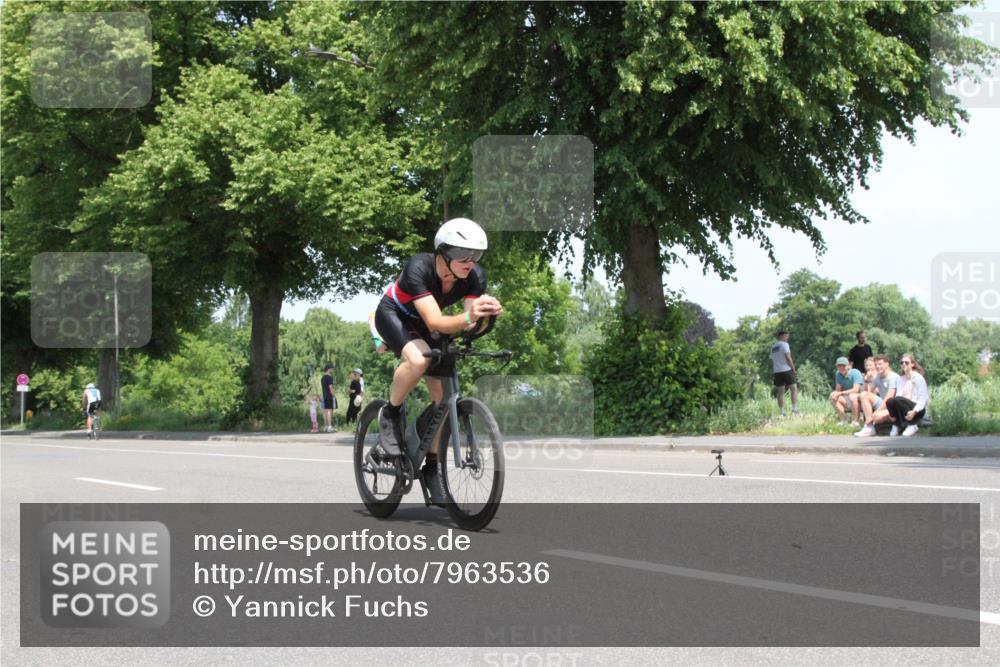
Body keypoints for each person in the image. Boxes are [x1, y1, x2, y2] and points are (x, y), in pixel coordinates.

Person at [374, 217, 503, 503]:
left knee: (444, 400)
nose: (469, 261)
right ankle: (391, 413)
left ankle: (432, 468)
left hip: (429, 326)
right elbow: (435, 319)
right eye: (461, 254)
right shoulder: (418, 268)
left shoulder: (474, 277)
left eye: (476, 255)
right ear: (443, 253)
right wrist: (470, 316)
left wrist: (485, 316)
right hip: (395, 316)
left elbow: (468, 324)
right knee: (419, 361)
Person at [885, 353, 930, 437]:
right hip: (904, 407)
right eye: (902, 363)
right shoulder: (900, 379)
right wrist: (891, 413)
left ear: (912, 364)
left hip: (917, 409)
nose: (903, 364)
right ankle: (897, 424)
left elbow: (924, 398)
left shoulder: (918, 378)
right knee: (890, 401)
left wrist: (914, 411)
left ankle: (912, 425)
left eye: (906, 362)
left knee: (898, 399)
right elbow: (898, 397)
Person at [854, 354, 899, 437]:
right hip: (883, 404)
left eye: (880, 364)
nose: (877, 366)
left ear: (887, 364)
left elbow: (889, 397)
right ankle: (869, 427)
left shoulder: (893, 377)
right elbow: (865, 394)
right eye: (876, 364)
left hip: (893, 406)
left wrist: (877, 411)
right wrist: (866, 381)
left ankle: (897, 425)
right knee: (864, 395)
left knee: (877, 417)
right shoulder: (877, 377)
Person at [770, 330, 799, 416]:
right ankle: (794, 409)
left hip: (777, 371)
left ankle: (782, 412)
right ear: (781, 336)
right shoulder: (784, 344)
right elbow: (788, 357)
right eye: (786, 336)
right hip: (786, 369)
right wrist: (793, 368)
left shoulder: (773, 347)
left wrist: (776, 369)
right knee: (794, 389)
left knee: (780, 392)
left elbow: (772, 360)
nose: (787, 338)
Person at [830, 356, 863, 426]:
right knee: (833, 395)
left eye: (843, 365)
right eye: (839, 365)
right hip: (846, 398)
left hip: (859, 398)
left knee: (852, 396)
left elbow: (856, 389)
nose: (841, 367)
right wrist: (835, 393)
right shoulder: (838, 374)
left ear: (848, 366)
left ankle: (855, 421)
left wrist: (841, 393)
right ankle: (843, 420)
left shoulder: (855, 372)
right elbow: (838, 389)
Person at [321, 363, 337, 433]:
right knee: (329, 411)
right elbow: (330, 387)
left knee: (325, 411)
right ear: (329, 369)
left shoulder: (323, 378)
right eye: (332, 368)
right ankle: (330, 427)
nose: (333, 370)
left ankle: (325, 427)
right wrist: (334, 395)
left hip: (324, 396)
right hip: (329, 396)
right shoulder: (329, 377)